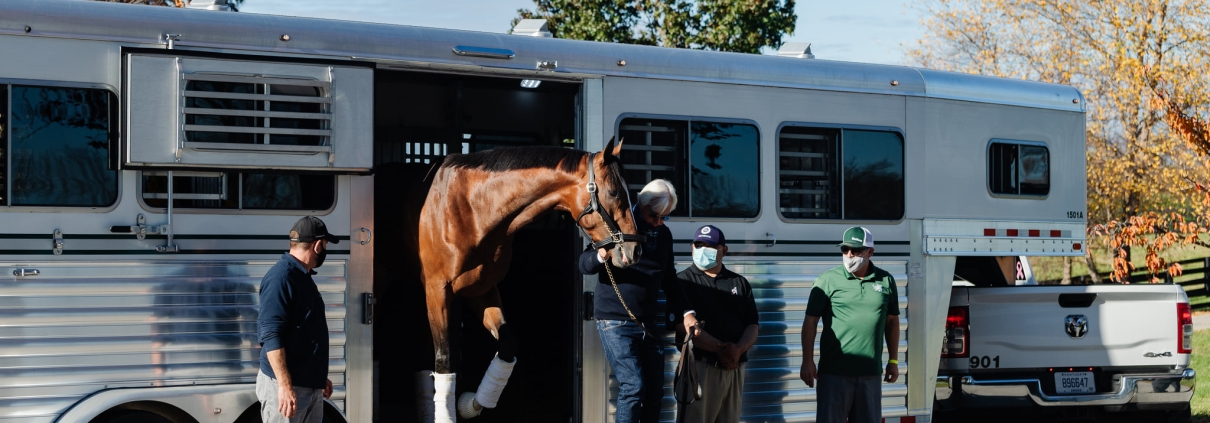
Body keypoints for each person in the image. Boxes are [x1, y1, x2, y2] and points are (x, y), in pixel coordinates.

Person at [579, 179, 680, 423]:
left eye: (664, 217)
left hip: (647, 322)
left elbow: (670, 278)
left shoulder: (663, 235)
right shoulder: (614, 225)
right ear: (641, 204)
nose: (658, 222)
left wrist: (686, 312)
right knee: (633, 387)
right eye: (654, 216)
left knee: (656, 390)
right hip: (615, 321)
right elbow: (584, 264)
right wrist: (601, 254)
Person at [799, 227, 900, 423]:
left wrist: (893, 361)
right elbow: (810, 321)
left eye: (855, 251)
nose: (849, 255)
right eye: (845, 250)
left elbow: (892, 321)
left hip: (870, 373)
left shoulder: (886, 280)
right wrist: (807, 361)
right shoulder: (827, 280)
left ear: (870, 252)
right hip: (833, 374)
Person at [670, 225, 759, 423]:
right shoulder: (683, 282)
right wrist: (722, 350)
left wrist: (738, 349)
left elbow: (752, 324)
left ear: (723, 251)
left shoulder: (739, 282)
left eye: (709, 246)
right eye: (698, 245)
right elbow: (683, 327)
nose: (702, 249)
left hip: (734, 369)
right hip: (700, 369)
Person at [257, 216, 338, 423]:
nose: (325, 250)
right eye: (326, 244)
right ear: (318, 246)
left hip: (307, 385)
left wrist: (318, 377)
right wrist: (284, 386)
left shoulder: (302, 277)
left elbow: (305, 330)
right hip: (288, 387)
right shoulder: (281, 278)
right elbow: (271, 335)